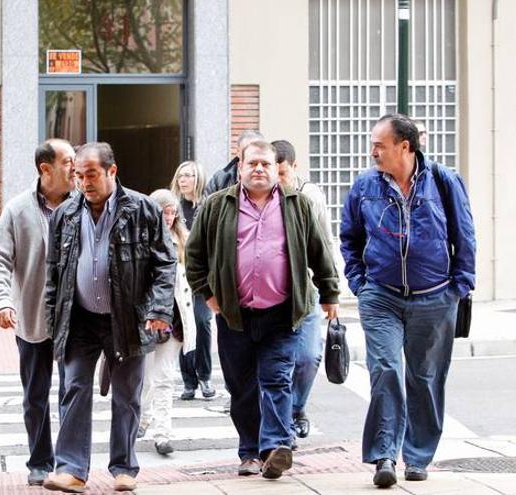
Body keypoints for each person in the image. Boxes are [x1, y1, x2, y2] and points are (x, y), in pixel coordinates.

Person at [185, 140, 340, 480]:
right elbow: (194, 257)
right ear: (240, 168)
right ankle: (250, 452)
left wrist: (330, 293)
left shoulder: (297, 206)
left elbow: (319, 251)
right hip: (234, 315)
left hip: (282, 313)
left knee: (277, 379)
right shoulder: (215, 206)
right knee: (241, 387)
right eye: (252, 163)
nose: (259, 169)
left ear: (276, 168)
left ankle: (274, 447)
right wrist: (209, 296)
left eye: (265, 164)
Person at [340, 113, 476, 488]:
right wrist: (359, 283)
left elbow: (464, 234)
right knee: (386, 370)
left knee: (426, 378)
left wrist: (459, 286)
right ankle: (385, 454)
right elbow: (349, 236)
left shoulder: (443, 181)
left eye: (379, 145)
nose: (372, 152)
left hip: (434, 298)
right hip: (381, 296)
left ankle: (417, 456)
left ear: (405, 146)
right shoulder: (366, 184)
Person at [43, 142, 176, 493]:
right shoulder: (65, 214)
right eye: (78, 176)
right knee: (73, 387)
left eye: (91, 175)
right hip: (80, 318)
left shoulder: (143, 209)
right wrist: (52, 320)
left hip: (129, 317)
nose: (84, 182)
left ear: (111, 172)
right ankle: (71, 468)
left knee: (127, 394)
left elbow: (165, 262)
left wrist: (160, 309)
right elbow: (54, 273)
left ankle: (123, 468)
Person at [0, 139, 75, 486]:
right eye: (67, 161)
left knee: (73, 394)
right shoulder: (18, 209)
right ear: (45, 168)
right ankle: (40, 461)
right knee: (35, 396)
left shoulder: (84, 206)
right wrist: (2, 302)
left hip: (75, 319)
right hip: (32, 318)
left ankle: (69, 463)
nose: (74, 167)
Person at [272, 139, 332, 447]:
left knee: (308, 357)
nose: (277, 179)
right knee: (278, 362)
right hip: (274, 294)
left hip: (306, 292)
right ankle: (283, 425)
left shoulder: (310, 196)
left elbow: (325, 242)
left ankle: (296, 408)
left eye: (282, 172)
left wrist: (330, 289)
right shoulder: (262, 198)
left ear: (294, 168)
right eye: (274, 171)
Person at [138, 189, 197, 456]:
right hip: (148, 320)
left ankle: (162, 434)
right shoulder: (141, 240)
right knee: (147, 378)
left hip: (175, 320)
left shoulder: (183, 240)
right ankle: (142, 418)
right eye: (165, 212)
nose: (170, 217)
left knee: (164, 378)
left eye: (173, 212)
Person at [169, 161, 215, 401]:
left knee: (202, 322)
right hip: (179, 277)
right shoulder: (173, 208)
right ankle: (189, 381)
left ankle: (205, 376)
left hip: (202, 277)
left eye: (188, 175)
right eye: (180, 176)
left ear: (198, 179)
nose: (183, 180)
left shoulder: (207, 206)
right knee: (183, 326)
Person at [203, 130, 265, 197]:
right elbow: (205, 205)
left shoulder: (270, 177)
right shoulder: (220, 179)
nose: (251, 154)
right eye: (246, 150)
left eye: (256, 150)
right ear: (238, 152)